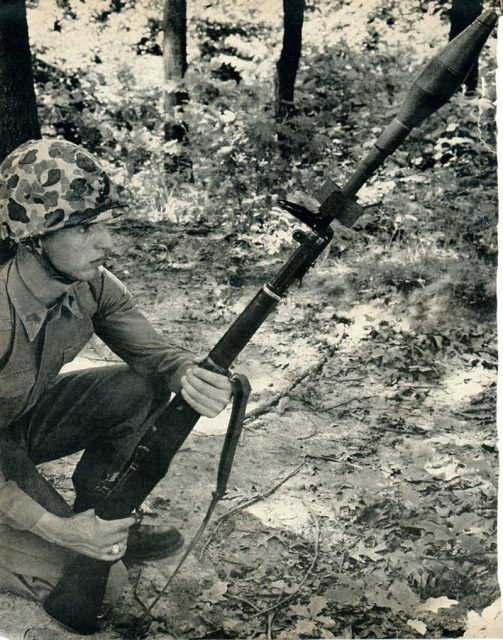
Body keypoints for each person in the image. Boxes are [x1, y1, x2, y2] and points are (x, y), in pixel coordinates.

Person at [0, 138, 232, 605]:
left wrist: (192, 374)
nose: (107, 243)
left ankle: (106, 513)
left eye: (104, 224)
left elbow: (156, 358)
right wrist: (55, 529)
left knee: (139, 386)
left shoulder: (94, 286)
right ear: (35, 236)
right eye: (84, 227)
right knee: (99, 589)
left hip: (17, 432)